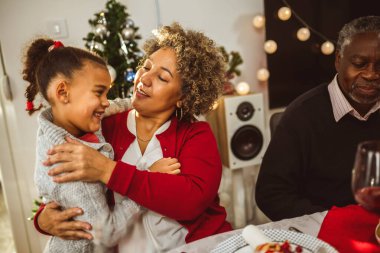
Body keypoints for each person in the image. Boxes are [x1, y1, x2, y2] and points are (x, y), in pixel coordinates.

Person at [35, 23, 232, 252]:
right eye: (146, 67)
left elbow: (191, 201)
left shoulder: (196, 134)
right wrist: (43, 219)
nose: (144, 79)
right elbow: (60, 178)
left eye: (162, 77)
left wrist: (107, 170)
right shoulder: (102, 126)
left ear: (183, 97)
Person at [23, 38, 181, 252]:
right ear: (63, 92)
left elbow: (117, 105)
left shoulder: (68, 119)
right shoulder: (69, 162)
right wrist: (149, 176)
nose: (106, 101)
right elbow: (106, 234)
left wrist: (140, 104)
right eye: (99, 92)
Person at [255, 15, 380, 221]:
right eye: (359, 63)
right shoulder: (301, 116)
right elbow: (271, 195)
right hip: (324, 230)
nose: (371, 74)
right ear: (338, 60)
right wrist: (334, 220)